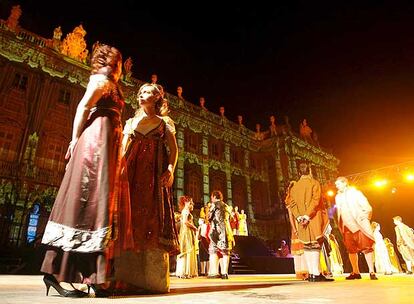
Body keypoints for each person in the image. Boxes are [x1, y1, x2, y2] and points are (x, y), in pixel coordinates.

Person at [40, 43, 131, 297]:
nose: (121, 68)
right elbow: (82, 108)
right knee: (90, 204)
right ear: (114, 63)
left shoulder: (110, 84)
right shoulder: (101, 80)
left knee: (93, 207)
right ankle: (88, 277)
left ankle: (82, 275)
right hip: (95, 148)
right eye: (120, 63)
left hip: (105, 148)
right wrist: (74, 140)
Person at [116, 82, 179, 293]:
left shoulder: (163, 122)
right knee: (131, 216)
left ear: (157, 98)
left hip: (154, 173)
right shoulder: (131, 122)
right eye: (141, 92)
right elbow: (123, 150)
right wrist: (118, 171)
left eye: (148, 92)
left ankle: (153, 280)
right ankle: (127, 276)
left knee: (153, 216)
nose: (143, 95)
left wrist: (170, 169)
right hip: (132, 173)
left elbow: (173, 149)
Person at [286, 163, 333, 282]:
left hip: (301, 220)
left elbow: (292, 204)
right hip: (313, 217)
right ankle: (315, 273)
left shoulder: (294, 187)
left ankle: (312, 274)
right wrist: (307, 215)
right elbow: (316, 201)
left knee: (306, 245)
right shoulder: (314, 183)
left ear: (299, 172)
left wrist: (299, 217)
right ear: (310, 170)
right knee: (316, 244)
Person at [334, 176, 378, 280]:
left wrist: (365, 216)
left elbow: (367, 207)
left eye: (338, 184)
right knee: (351, 249)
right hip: (346, 226)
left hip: (359, 225)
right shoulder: (337, 197)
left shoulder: (355, 193)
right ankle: (355, 271)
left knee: (367, 247)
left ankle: (371, 271)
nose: (336, 186)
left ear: (345, 183)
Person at [207, 190, 234, 279]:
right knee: (225, 251)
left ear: (214, 197)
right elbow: (231, 219)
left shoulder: (214, 205)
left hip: (216, 230)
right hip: (226, 229)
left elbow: (209, 217)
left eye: (212, 197)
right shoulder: (226, 206)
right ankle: (225, 272)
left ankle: (214, 272)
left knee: (213, 250)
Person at [175, 196, 198, 279]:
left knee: (187, 250)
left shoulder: (185, 211)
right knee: (187, 250)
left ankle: (184, 271)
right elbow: (185, 222)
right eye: (191, 203)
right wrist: (194, 227)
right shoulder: (186, 211)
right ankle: (185, 271)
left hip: (187, 232)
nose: (192, 205)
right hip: (186, 232)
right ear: (186, 203)